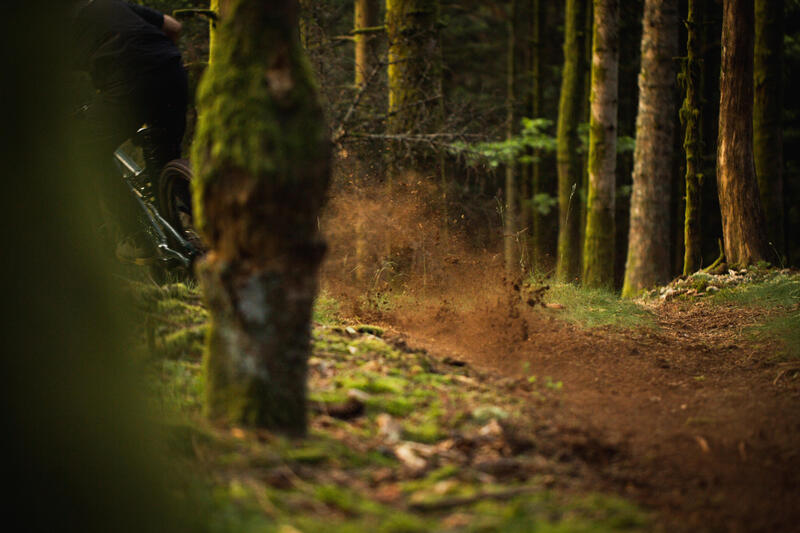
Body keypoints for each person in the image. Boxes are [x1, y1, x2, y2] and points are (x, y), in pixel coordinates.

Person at [72, 0, 188, 262]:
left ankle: (138, 237)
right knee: (164, 160)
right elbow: (174, 27)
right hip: (172, 71)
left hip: (128, 83)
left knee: (85, 152)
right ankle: (190, 236)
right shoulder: (106, 4)